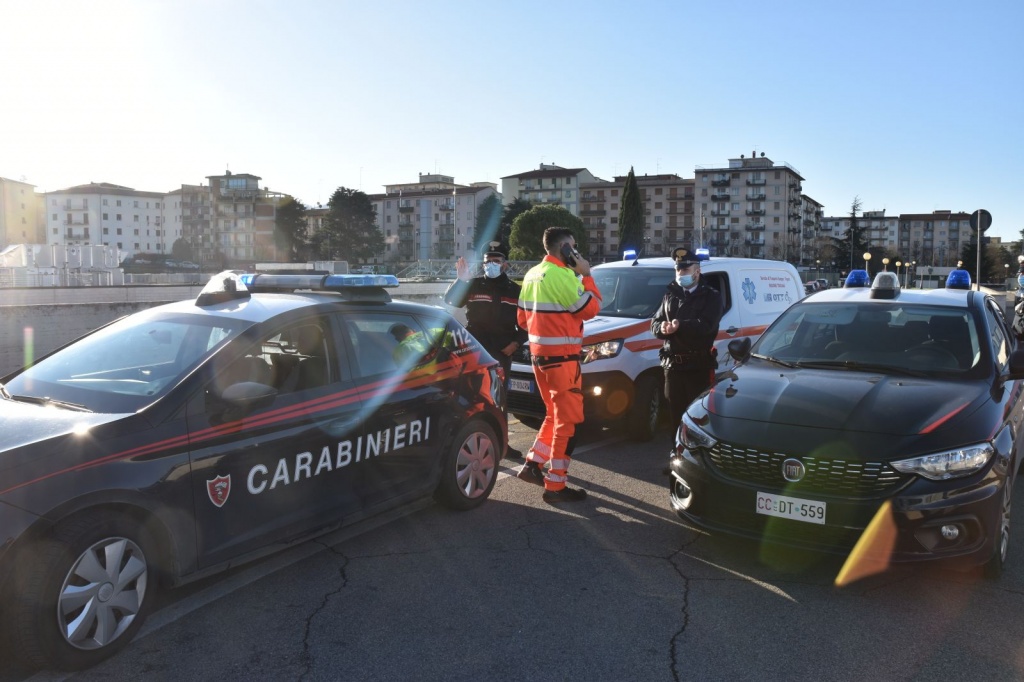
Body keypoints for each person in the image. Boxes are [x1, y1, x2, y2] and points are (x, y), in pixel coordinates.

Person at [516, 227, 602, 503]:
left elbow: (521, 320)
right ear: (565, 248)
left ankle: (532, 465)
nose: (577, 253)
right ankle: (555, 486)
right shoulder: (563, 275)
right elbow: (591, 309)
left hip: (539, 359)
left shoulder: (531, 274)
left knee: (553, 416)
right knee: (569, 423)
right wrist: (587, 274)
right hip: (563, 361)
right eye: (574, 247)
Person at [444, 242, 528, 458]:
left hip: (501, 353)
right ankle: (462, 442)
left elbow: (528, 322)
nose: (491, 264)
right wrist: (460, 280)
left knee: (500, 398)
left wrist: (516, 343)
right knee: (468, 395)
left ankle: (504, 444)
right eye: (488, 261)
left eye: (496, 261)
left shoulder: (516, 291)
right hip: (474, 351)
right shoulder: (473, 285)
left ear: (505, 265)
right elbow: (451, 300)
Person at [652, 247, 725, 432]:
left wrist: (680, 326)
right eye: (678, 269)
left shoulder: (712, 297)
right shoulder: (670, 296)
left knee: (697, 418)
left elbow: (707, 326)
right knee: (674, 418)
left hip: (697, 367)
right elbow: (655, 322)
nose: (680, 273)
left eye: (685, 269)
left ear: (697, 271)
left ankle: (696, 458)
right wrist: (661, 328)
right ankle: (676, 455)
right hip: (673, 367)